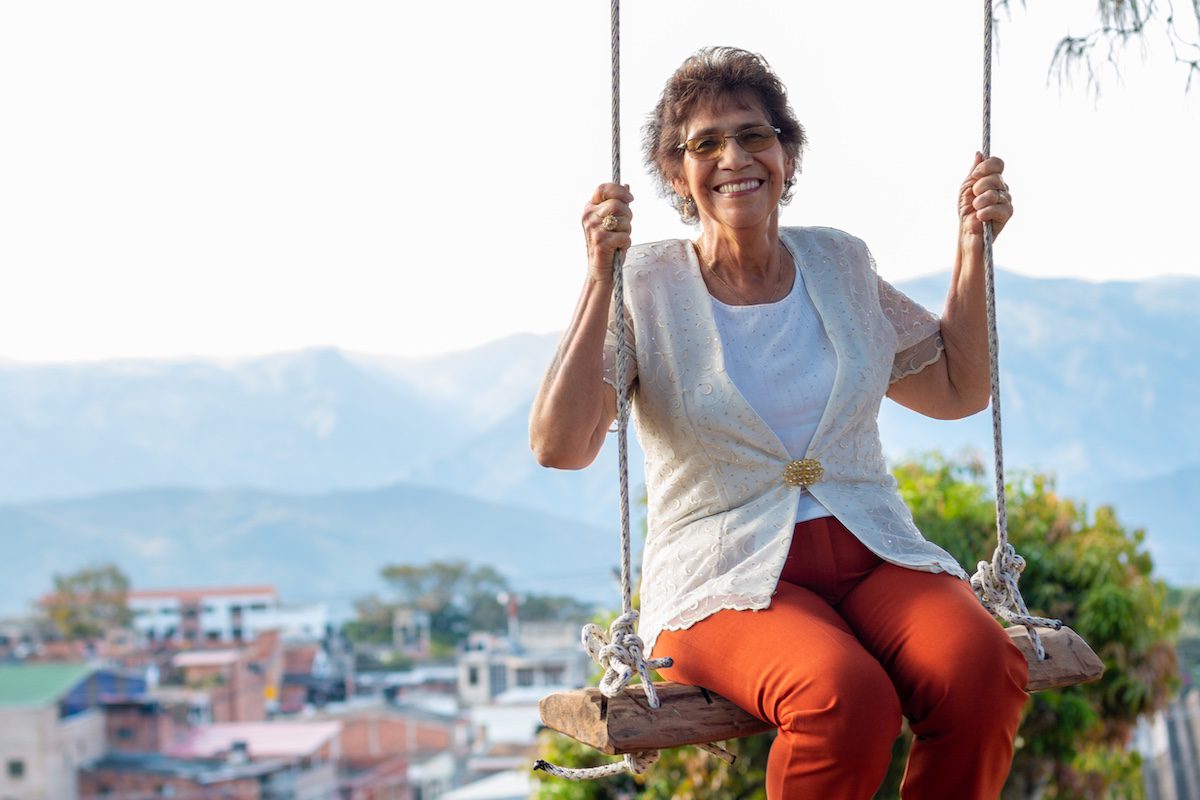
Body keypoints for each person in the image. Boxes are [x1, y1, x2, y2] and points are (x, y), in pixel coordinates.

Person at [529, 46, 1028, 800]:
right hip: (720, 579)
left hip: (871, 551)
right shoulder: (646, 287)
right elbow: (559, 447)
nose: (734, 157)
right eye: (704, 143)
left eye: (754, 135)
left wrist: (971, 244)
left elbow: (958, 388)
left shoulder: (840, 264)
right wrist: (599, 276)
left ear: (787, 156)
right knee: (842, 698)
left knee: (982, 668)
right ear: (675, 174)